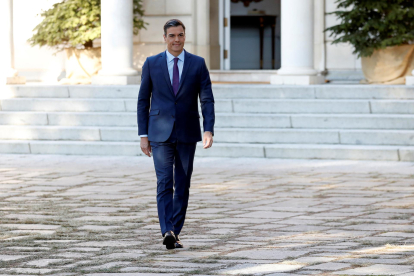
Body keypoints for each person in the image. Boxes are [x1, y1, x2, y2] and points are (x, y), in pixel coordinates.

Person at [137, 19, 215, 250]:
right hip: (158, 132)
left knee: (182, 183)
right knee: (164, 181)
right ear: (165, 38)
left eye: (180, 35)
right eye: (172, 36)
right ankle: (166, 229)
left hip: (187, 131)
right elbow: (143, 100)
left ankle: (175, 232)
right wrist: (143, 134)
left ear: (184, 37)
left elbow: (207, 99)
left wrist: (208, 128)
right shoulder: (151, 64)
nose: (176, 40)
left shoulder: (198, 63)